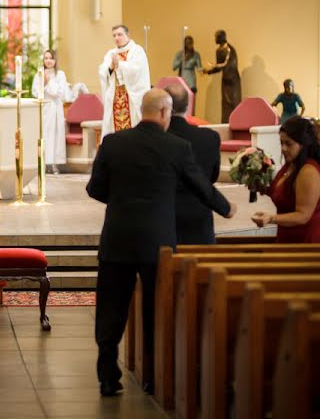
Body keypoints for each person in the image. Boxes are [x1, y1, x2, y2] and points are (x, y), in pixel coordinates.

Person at [86, 88, 235, 397]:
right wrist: (226, 207)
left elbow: (94, 188)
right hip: (158, 244)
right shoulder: (177, 147)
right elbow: (200, 187)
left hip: (118, 238)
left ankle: (107, 376)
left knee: (111, 308)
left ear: (144, 111)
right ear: (166, 113)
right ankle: (153, 377)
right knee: (156, 311)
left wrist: (120, 201)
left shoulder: (114, 143)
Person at [251, 116, 320, 243]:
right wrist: (261, 186)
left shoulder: (309, 171)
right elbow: (285, 195)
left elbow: (303, 216)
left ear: (304, 144)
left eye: (288, 143)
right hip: (291, 237)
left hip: (311, 240)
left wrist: (271, 218)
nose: (283, 148)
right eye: (281, 143)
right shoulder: (291, 164)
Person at [165, 84, 223, 244]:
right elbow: (213, 176)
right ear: (188, 105)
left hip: (165, 219)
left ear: (165, 106)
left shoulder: (157, 139)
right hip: (199, 219)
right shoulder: (209, 138)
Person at [98, 24, 151, 137]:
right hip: (115, 96)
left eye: (120, 34)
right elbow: (103, 71)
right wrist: (111, 67)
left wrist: (120, 64)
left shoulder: (137, 50)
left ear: (127, 35)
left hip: (131, 96)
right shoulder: (110, 53)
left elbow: (137, 70)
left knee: (133, 128)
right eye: (114, 35)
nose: (116, 38)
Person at [32, 49, 70, 172]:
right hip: (43, 108)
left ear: (55, 60)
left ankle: (54, 164)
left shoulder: (60, 74)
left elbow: (59, 93)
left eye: (51, 58)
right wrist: (43, 86)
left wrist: (48, 82)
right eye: (46, 58)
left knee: (55, 136)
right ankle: (42, 163)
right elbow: (35, 92)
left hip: (55, 108)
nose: (48, 61)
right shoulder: (38, 74)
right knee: (43, 135)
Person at [203, 30, 241, 123]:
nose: (215, 39)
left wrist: (213, 66)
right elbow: (219, 66)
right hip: (225, 80)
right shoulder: (219, 50)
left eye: (216, 37)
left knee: (234, 103)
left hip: (233, 81)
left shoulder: (229, 49)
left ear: (222, 37)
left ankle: (235, 123)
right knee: (225, 104)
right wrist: (208, 71)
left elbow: (229, 64)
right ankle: (226, 123)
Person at [172, 36, 203, 113]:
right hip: (182, 79)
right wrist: (183, 59)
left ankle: (191, 117)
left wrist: (207, 69)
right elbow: (174, 67)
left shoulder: (196, 54)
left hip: (191, 80)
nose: (189, 45)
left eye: (191, 43)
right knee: (181, 102)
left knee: (191, 102)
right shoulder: (179, 54)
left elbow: (199, 68)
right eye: (188, 43)